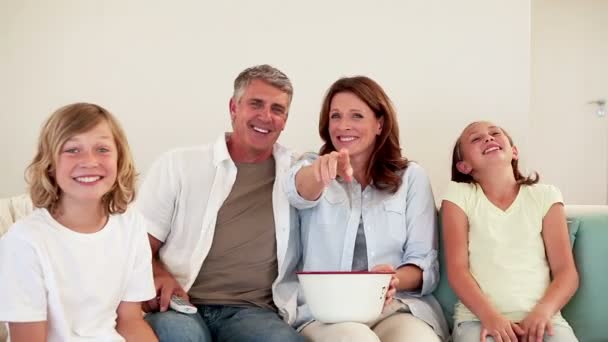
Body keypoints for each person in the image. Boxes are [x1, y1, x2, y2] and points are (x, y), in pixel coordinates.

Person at [138, 64, 304, 342]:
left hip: (253, 312)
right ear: (233, 107)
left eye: (277, 109)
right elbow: (138, 246)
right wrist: (160, 275)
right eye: (256, 104)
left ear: (285, 119)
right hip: (181, 305)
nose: (266, 116)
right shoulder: (178, 165)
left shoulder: (297, 174)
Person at [285, 76, 448, 341]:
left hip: (395, 309)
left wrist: (392, 279)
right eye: (335, 116)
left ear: (379, 124)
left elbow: (423, 264)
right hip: (326, 313)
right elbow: (297, 192)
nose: (343, 125)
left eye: (357, 116)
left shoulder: (411, 177)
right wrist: (322, 173)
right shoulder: (310, 167)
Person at [0, 103, 157, 341]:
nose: (89, 161)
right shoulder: (24, 240)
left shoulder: (131, 224)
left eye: (103, 149)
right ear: (50, 165)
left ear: (119, 158)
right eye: (72, 150)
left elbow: (131, 321)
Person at [441, 121, 579, 342]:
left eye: (495, 133)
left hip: (545, 319)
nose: (488, 138)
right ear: (464, 166)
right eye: (476, 139)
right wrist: (491, 317)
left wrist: (542, 313)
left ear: (514, 152)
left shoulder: (545, 195)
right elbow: (458, 270)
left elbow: (566, 272)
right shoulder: (459, 195)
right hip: (478, 320)